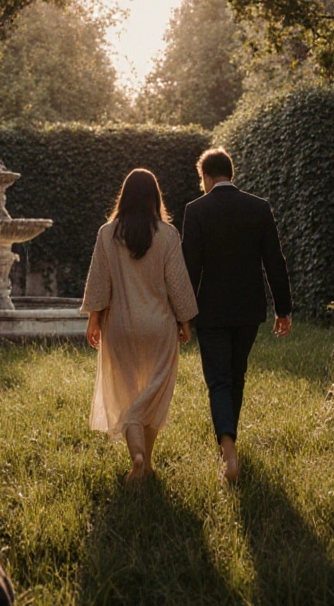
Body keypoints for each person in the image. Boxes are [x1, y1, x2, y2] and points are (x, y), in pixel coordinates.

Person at [182, 147, 293, 484]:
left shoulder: (196, 210)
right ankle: (229, 443)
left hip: (211, 311)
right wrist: (283, 309)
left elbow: (190, 269)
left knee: (219, 380)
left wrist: (182, 315)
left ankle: (228, 450)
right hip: (248, 310)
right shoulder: (258, 207)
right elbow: (275, 261)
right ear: (231, 173)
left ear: (205, 176)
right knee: (237, 375)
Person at [81, 168, 198, 482]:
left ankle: (139, 458)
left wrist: (94, 319)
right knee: (152, 396)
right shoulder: (168, 235)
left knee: (128, 394)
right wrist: (185, 321)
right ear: (154, 197)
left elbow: (99, 282)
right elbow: (177, 285)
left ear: (124, 196)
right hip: (159, 327)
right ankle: (146, 462)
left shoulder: (107, 233)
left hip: (120, 326)